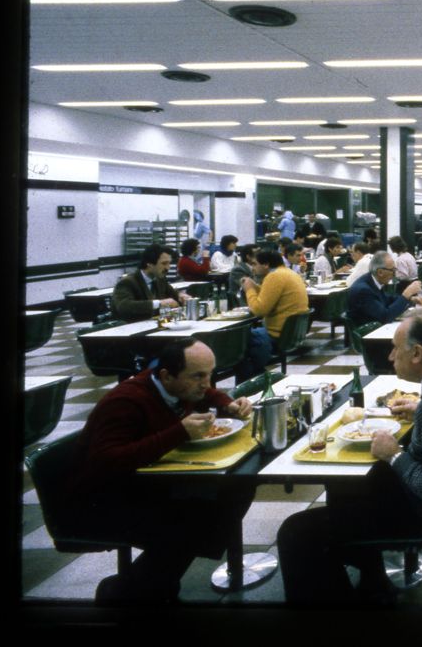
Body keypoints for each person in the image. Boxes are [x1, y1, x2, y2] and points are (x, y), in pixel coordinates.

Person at [277, 313, 422, 605]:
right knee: (343, 486)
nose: (391, 355)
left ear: (417, 353)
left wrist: (393, 454)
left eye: (396, 348)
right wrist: (420, 411)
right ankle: (374, 581)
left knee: (296, 532)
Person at [63, 338, 255, 604]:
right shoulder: (126, 401)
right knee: (200, 514)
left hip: (143, 485)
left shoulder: (171, 385)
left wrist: (227, 403)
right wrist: (178, 433)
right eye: (198, 375)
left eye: (210, 374)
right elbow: (104, 461)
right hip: (100, 500)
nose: (207, 383)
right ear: (166, 375)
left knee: (235, 490)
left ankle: (151, 584)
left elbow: (204, 393)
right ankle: (129, 592)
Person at [239, 249, 309, 380]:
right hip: (290, 333)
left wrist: (249, 290)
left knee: (239, 339)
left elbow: (258, 310)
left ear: (265, 264)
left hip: (277, 335)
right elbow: (270, 296)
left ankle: (252, 378)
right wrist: (255, 286)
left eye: (254, 264)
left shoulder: (274, 276)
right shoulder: (288, 273)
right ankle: (258, 373)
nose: (252, 268)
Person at [111, 245, 191, 322]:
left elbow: (172, 294)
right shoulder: (127, 282)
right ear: (149, 264)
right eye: (164, 263)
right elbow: (124, 306)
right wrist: (159, 303)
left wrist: (180, 296)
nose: (168, 268)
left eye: (169, 263)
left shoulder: (160, 279)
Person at [347, 251, 422, 325]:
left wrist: (409, 298)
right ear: (380, 272)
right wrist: (406, 294)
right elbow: (385, 317)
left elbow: (387, 299)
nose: (395, 274)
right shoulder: (363, 290)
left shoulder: (373, 280)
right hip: (366, 334)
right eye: (392, 270)